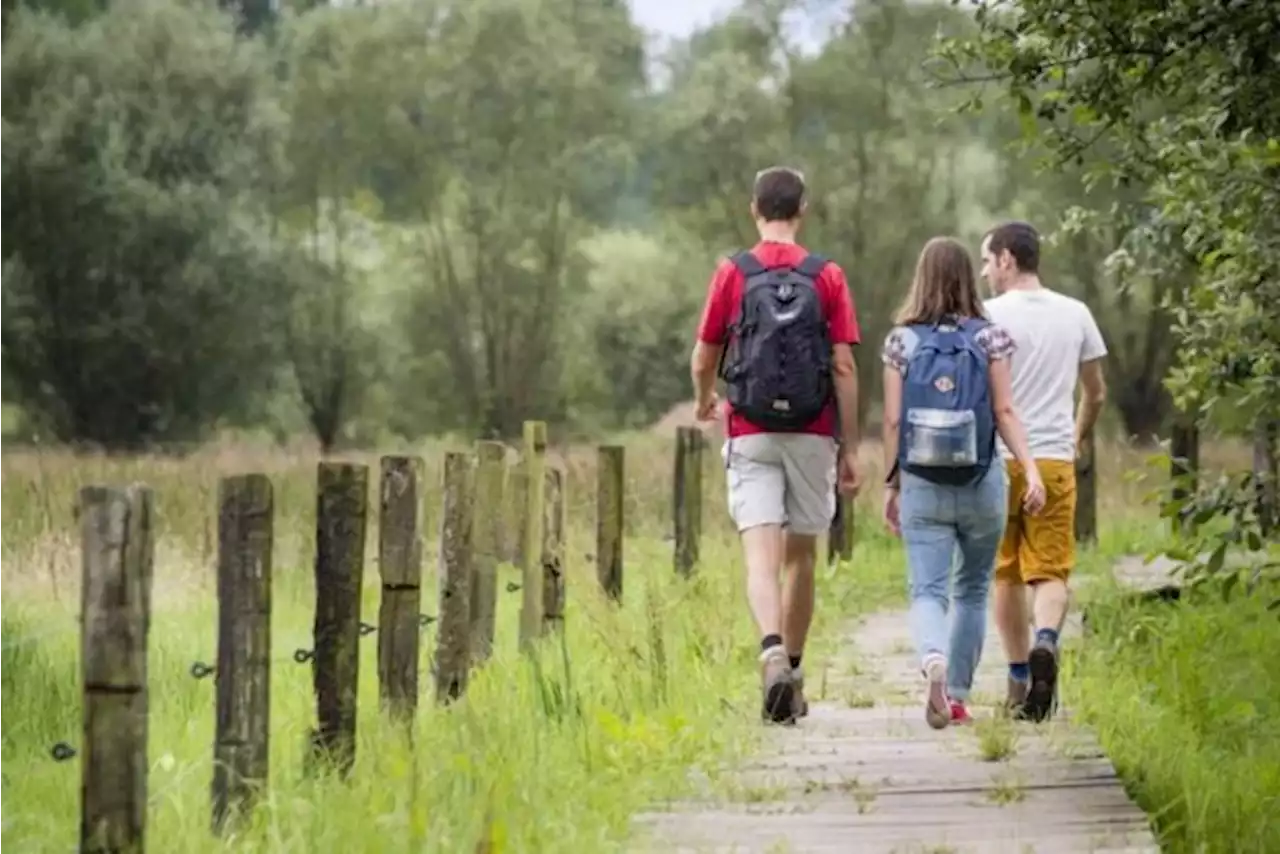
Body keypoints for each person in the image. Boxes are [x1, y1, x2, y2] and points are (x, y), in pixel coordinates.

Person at [690, 166, 861, 725]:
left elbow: (704, 355)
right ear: (802, 210)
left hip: (750, 429)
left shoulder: (733, 272)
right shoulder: (828, 275)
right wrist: (851, 446)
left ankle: (769, 653)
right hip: (813, 432)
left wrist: (704, 399)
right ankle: (792, 663)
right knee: (802, 558)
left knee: (759, 555)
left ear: (754, 209)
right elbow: (843, 364)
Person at [880, 236, 1046, 729]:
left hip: (922, 482)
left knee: (928, 590)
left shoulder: (900, 341)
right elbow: (1005, 411)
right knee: (973, 589)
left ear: (921, 276)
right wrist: (1031, 468)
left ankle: (932, 657)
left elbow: (892, 422)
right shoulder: (990, 337)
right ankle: (955, 695)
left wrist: (892, 486)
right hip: (981, 480)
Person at [980, 221, 1108, 723]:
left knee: (1005, 573)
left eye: (989, 261)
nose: (986, 271)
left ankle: (1017, 679)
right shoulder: (1076, 313)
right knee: (1051, 570)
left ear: (1008, 258)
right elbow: (1095, 392)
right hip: (1053, 459)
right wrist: (1076, 435)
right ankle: (1048, 641)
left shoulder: (987, 316)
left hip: (1000, 461)